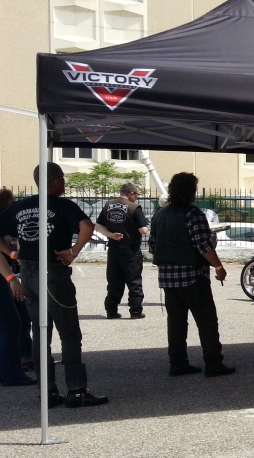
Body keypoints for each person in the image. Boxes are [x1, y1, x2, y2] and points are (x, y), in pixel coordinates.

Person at [0, 163, 108, 407]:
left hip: (27, 273)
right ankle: (77, 390)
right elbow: (87, 227)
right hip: (53, 272)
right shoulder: (62, 205)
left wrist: (13, 256)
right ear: (57, 180)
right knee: (69, 332)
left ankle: (46, 391)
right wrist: (73, 251)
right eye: (63, 179)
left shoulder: (20, 206)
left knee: (40, 333)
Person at [148, 172, 234, 378]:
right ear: (192, 191)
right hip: (193, 276)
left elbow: (152, 245)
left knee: (176, 322)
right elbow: (202, 245)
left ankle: (178, 363)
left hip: (168, 279)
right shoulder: (193, 214)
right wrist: (218, 267)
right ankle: (213, 363)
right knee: (206, 321)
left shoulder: (159, 215)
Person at [95, 182, 149, 319]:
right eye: (136, 194)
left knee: (114, 281)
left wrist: (111, 235)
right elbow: (142, 230)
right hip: (130, 250)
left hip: (114, 248)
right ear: (131, 194)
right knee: (134, 281)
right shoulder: (134, 207)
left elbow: (98, 225)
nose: (137, 197)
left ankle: (111, 310)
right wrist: (147, 226)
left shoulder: (108, 205)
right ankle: (135, 311)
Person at [0, 187, 32, 370]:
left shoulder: (12, 223)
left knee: (20, 318)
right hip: (6, 276)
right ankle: (14, 365)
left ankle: (23, 357)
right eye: (11, 202)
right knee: (13, 321)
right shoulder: (3, 221)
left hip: (11, 273)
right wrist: (11, 278)